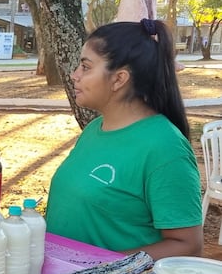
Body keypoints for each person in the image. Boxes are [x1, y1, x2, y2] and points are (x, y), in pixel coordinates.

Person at [45, 19, 203, 260]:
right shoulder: (94, 129)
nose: (74, 75)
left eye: (86, 67)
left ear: (119, 79)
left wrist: (99, 267)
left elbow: (187, 245)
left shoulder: (165, 148)